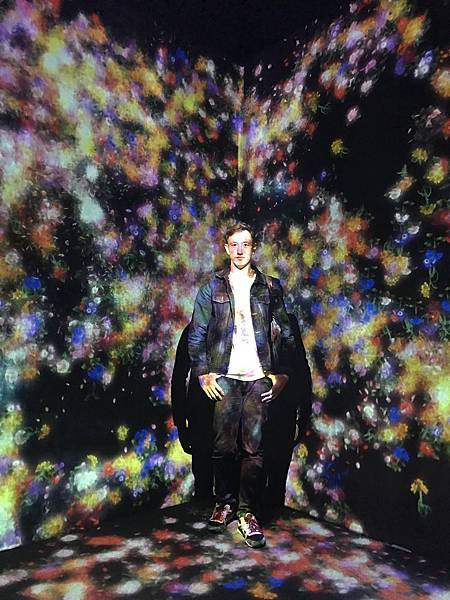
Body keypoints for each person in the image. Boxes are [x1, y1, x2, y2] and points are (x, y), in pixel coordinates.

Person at [188, 222, 295, 548]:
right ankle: (225, 502)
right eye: (233, 244)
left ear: (253, 248)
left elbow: (288, 333)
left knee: (254, 449)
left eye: (245, 244)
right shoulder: (211, 288)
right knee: (223, 447)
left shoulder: (270, 287)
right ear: (226, 248)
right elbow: (196, 334)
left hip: (258, 379)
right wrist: (203, 373)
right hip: (226, 377)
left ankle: (248, 513)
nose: (239, 250)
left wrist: (282, 375)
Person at [263, 312, 312, 519]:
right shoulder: (245, 319)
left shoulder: (288, 322)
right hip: (256, 414)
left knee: (277, 477)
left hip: (284, 413)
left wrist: (304, 414)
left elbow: (301, 368)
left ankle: (274, 521)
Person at [170, 324, 214, 506]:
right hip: (202, 417)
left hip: (212, 417)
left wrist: (181, 424)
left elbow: (178, 378)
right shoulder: (194, 330)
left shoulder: (194, 330)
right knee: (205, 484)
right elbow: (178, 378)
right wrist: (181, 424)